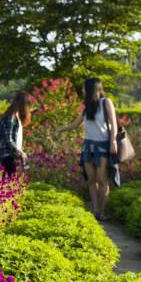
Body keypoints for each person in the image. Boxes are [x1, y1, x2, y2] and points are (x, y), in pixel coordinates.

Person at [47, 78, 120, 221]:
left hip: (104, 146)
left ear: (92, 88)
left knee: (102, 179)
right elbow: (76, 124)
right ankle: (95, 211)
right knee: (92, 180)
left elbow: (114, 123)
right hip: (89, 147)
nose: (82, 90)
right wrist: (58, 131)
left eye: (84, 87)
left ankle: (103, 211)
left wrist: (113, 142)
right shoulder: (87, 106)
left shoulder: (106, 102)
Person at [0, 91, 32, 177]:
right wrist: (16, 149)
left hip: (11, 154)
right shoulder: (11, 117)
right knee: (8, 181)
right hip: (7, 154)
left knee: (8, 180)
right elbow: (7, 137)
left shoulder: (16, 117)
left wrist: (19, 151)